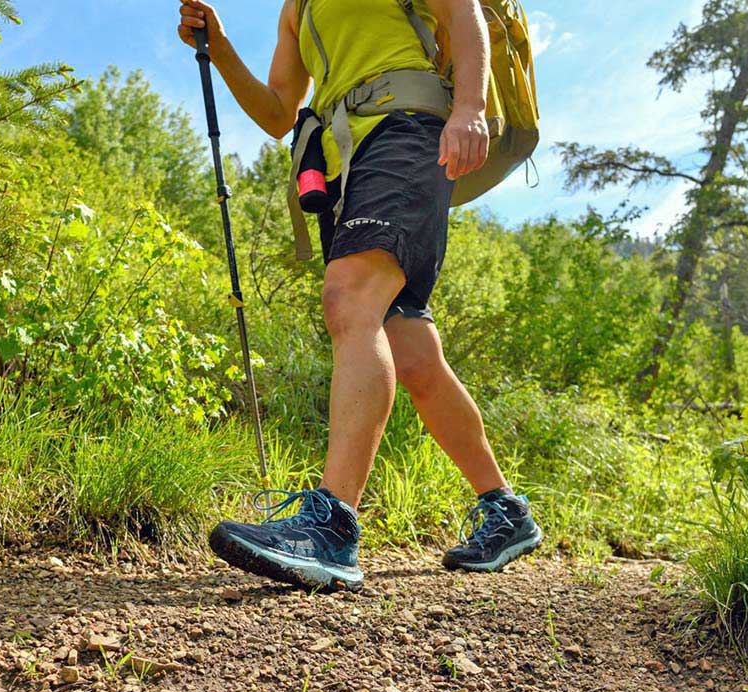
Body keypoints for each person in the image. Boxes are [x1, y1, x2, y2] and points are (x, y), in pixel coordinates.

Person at [177, 0, 542, 591]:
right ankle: (506, 512)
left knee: (349, 297)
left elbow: (463, 12)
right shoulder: (297, 10)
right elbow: (277, 112)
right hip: (342, 160)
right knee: (412, 354)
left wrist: (470, 108)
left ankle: (332, 526)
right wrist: (219, 47)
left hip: (408, 130)